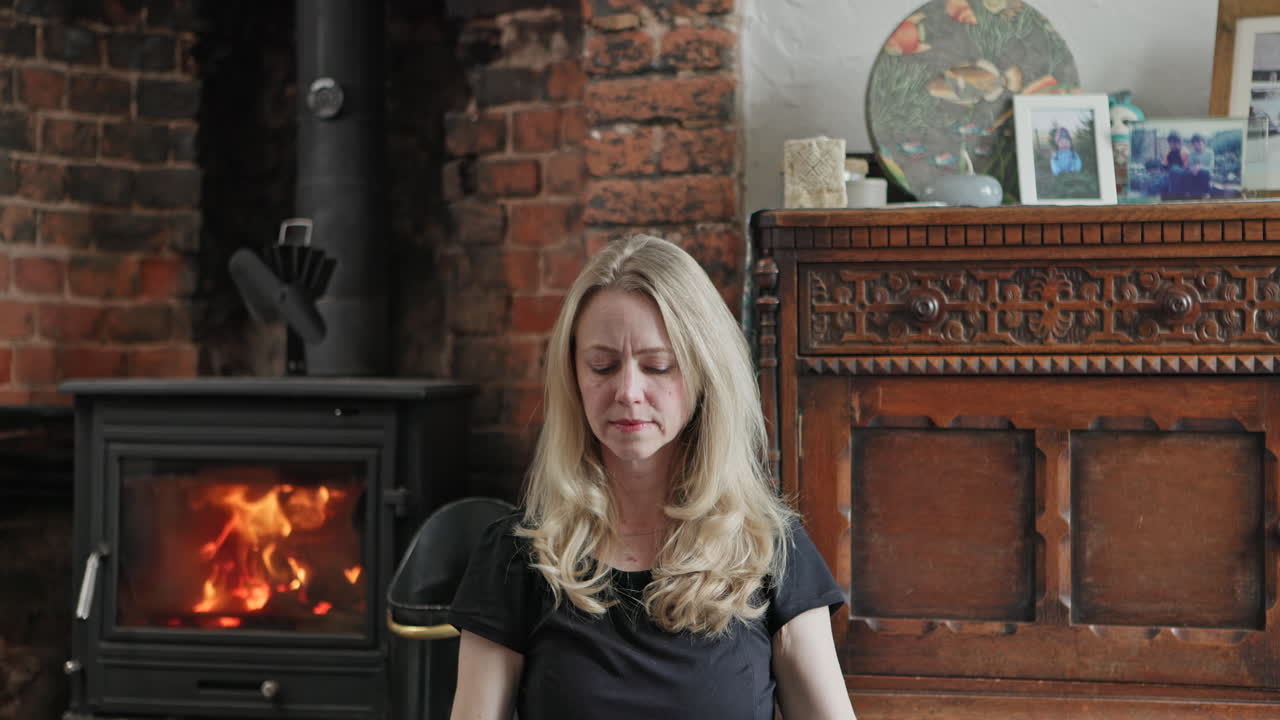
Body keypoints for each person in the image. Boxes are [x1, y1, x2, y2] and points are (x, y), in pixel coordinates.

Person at [447, 234, 856, 720]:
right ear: (573, 377)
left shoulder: (771, 549)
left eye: (658, 366)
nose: (628, 391)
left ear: (705, 374)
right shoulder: (514, 557)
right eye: (602, 366)